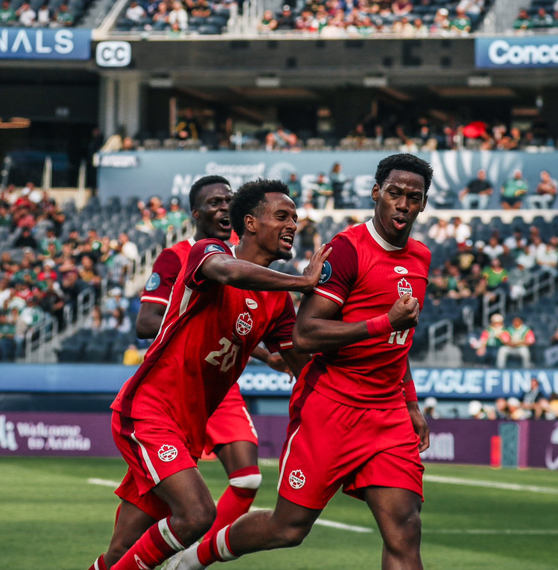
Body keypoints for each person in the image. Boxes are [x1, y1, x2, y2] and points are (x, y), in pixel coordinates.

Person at [171, 154, 433, 570]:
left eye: (413, 197)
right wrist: (383, 322)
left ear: (423, 203)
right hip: (333, 405)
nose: (402, 204)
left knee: (404, 528)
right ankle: (192, 559)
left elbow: (398, 344)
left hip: (388, 415)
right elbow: (305, 334)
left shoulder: (420, 257)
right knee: (289, 528)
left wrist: (411, 404)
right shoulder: (346, 251)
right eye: (394, 194)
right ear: (376, 194)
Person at [89, 180, 329, 570]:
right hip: (149, 412)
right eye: (283, 216)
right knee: (197, 514)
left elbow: (303, 363)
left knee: (121, 551)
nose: (293, 226)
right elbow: (230, 273)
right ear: (250, 223)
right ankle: (187, 563)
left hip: (186, 428)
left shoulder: (278, 301)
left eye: (295, 219)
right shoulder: (208, 252)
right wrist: (303, 282)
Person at [131, 176, 294, 565]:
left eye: (229, 201)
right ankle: (177, 548)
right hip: (169, 388)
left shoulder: (268, 284)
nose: (223, 208)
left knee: (247, 478)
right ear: (197, 214)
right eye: (215, 202)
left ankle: (189, 557)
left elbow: (288, 346)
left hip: (218, 388)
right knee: (174, 517)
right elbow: (145, 324)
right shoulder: (186, 255)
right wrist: (181, 315)